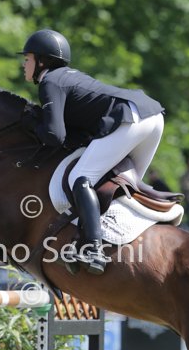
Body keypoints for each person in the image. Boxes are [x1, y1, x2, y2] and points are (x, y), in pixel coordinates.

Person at [19, 29, 166, 274]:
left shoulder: (50, 81)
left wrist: (32, 124)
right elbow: (74, 135)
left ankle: (93, 249)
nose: (24, 64)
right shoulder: (69, 77)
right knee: (120, 188)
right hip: (152, 117)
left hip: (129, 118)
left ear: (42, 61)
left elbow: (55, 136)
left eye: (28, 58)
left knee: (80, 178)